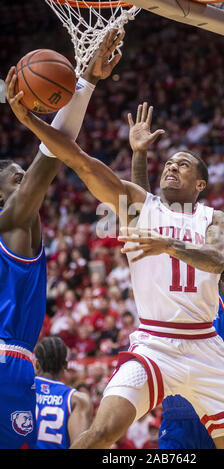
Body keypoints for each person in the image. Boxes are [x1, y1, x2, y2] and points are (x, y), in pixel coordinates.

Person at [6, 94, 224, 449]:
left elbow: (216, 259)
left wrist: (167, 245)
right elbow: (82, 162)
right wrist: (31, 121)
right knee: (101, 433)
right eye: (168, 162)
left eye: (182, 164)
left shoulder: (213, 217)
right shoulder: (140, 206)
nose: (171, 166)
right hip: (154, 343)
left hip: (206, 349)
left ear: (201, 184)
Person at [0, 30, 123, 449]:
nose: (25, 182)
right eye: (16, 179)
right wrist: (84, 80)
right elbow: (49, 158)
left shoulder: (19, 223)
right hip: (7, 364)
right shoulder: (14, 219)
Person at [129, 107, 224, 449]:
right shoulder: (171, 292)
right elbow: (143, 213)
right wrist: (139, 155)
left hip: (219, 415)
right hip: (176, 422)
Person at [34, 336, 93, 448]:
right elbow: (79, 446)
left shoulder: (21, 390)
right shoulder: (77, 399)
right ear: (66, 365)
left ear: (36, 364)